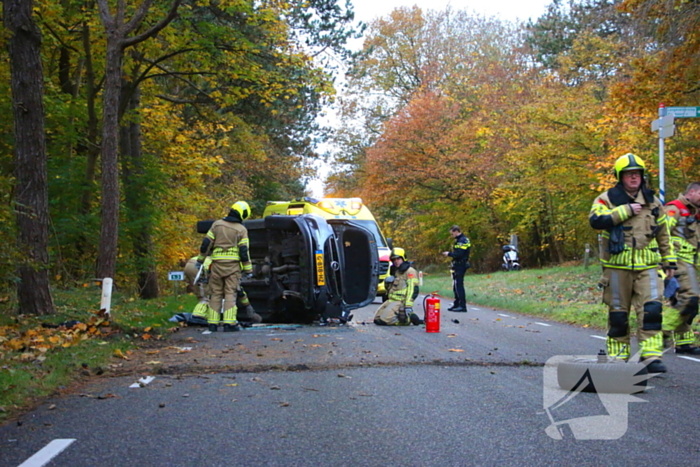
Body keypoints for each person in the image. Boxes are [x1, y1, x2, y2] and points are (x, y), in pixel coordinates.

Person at [589, 153, 676, 373]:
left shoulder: (653, 201)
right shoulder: (606, 198)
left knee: (652, 311)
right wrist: (625, 211)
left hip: (648, 267)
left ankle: (651, 357)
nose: (634, 178)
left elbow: (664, 233)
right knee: (618, 315)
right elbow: (596, 220)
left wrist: (669, 262)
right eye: (629, 174)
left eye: (637, 173)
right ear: (620, 177)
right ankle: (618, 358)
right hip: (617, 269)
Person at [197, 201, 253, 332]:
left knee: (215, 293)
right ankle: (229, 323)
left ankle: (212, 323)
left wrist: (200, 260)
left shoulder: (216, 225)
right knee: (230, 293)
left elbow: (206, 244)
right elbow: (244, 251)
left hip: (216, 265)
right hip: (232, 267)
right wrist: (248, 269)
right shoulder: (241, 229)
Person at [663, 182, 700, 354]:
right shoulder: (674, 209)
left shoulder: (694, 212)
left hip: (691, 262)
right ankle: (660, 332)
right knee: (689, 298)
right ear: (691, 192)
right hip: (677, 261)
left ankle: (684, 342)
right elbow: (661, 234)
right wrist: (667, 262)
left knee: (687, 304)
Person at [184, 256, 261, 325]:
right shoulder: (235, 271)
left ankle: (203, 315)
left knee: (201, 294)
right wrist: (248, 306)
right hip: (203, 267)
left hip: (191, 264)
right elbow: (239, 291)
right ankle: (197, 316)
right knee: (207, 296)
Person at [373, 248, 422, 326]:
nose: (396, 261)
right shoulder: (396, 271)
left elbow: (412, 290)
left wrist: (408, 306)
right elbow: (390, 289)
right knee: (377, 319)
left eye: (398, 259)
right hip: (391, 300)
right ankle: (404, 315)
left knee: (385, 321)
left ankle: (406, 320)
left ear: (403, 258)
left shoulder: (410, 271)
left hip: (400, 301)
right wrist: (387, 282)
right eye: (394, 259)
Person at [441, 225, 471, 312]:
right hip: (457, 264)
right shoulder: (459, 240)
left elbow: (459, 254)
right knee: (455, 285)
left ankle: (462, 306)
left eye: (452, 234)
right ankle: (457, 303)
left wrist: (449, 254)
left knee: (459, 285)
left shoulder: (462, 240)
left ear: (456, 231)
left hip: (461, 265)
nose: (452, 236)